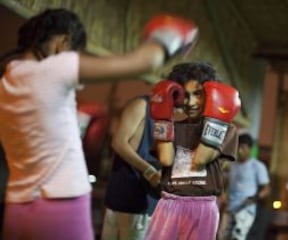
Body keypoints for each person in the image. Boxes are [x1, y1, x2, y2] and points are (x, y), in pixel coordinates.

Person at [0, 8, 198, 240]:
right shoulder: (52, 69)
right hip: (61, 201)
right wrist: (170, 35)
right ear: (63, 43)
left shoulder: (6, 81)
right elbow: (146, 61)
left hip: (17, 204)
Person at [144, 62, 241, 240]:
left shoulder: (226, 129)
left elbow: (201, 158)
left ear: (211, 96)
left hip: (202, 207)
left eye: (198, 94)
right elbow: (166, 159)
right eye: (185, 96)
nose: (191, 102)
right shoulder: (171, 126)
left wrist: (217, 115)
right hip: (169, 203)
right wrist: (164, 116)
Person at [101, 94, 161, 240]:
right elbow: (119, 142)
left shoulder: (171, 118)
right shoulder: (143, 105)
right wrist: (150, 172)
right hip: (129, 199)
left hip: (145, 202)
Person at [222, 133, 270, 240]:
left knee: (238, 237)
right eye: (238, 147)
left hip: (246, 209)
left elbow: (266, 189)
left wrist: (254, 198)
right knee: (222, 236)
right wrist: (223, 193)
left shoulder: (257, 166)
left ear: (250, 148)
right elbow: (226, 182)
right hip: (230, 207)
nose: (239, 150)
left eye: (243, 147)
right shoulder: (232, 164)